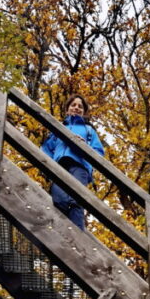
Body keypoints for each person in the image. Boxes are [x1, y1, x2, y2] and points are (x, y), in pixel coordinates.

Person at [41, 94, 105, 230]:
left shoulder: (88, 130)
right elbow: (46, 148)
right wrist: (48, 167)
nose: (76, 108)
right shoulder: (58, 128)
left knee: (76, 200)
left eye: (80, 106)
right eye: (73, 105)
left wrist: (85, 147)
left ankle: (77, 238)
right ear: (68, 109)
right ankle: (62, 235)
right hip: (59, 166)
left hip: (79, 166)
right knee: (59, 200)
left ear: (84, 112)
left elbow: (99, 152)